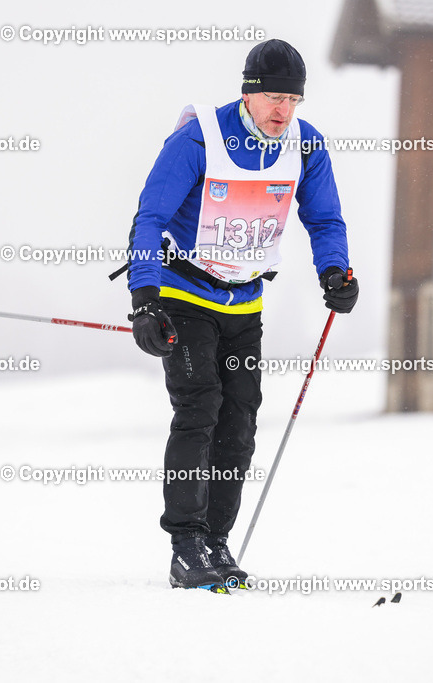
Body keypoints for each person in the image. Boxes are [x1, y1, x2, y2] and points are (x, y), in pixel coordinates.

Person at [122, 39, 359, 589]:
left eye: (292, 100)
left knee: (240, 421)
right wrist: (144, 298)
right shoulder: (199, 137)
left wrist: (336, 272)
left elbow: (325, 220)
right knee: (199, 404)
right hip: (183, 292)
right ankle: (185, 543)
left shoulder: (306, 145)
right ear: (248, 94)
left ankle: (214, 540)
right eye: (273, 97)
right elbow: (150, 214)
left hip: (243, 300)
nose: (283, 110)